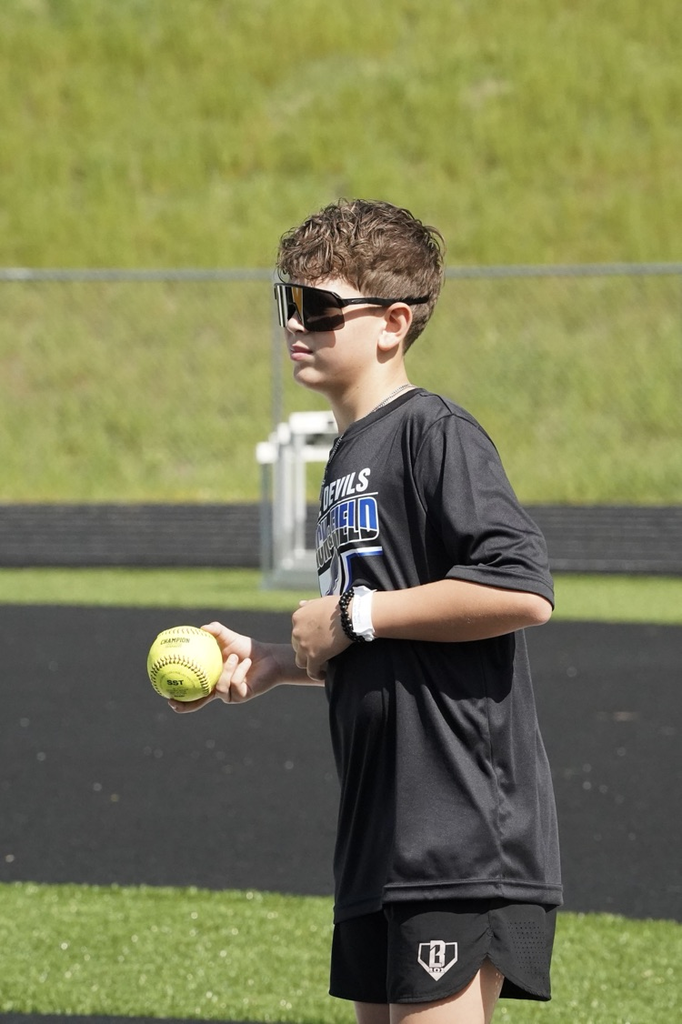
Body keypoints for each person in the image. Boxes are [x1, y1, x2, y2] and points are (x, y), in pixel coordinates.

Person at [171, 199, 562, 1024]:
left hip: (456, 830)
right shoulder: (349, 456)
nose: (294, 324)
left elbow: (522, 588)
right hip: (380, 834)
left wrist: (352, 615)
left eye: (317, 307)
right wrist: (281, 663)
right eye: (287, 303)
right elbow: (397, 642)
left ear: (391, 322)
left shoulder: (434, 432)